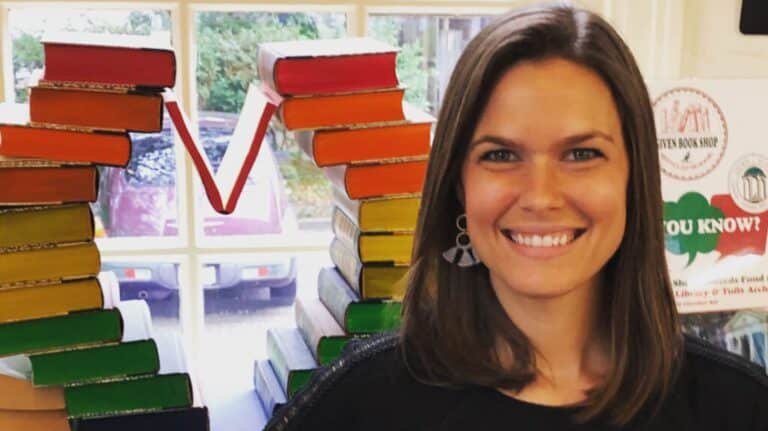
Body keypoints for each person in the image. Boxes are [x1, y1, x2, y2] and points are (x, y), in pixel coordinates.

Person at [265, 4, 768, 430]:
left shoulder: (738, 406)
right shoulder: (362, 405)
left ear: (633, 179)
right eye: (501, 155)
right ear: (459, 185)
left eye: (582, 154)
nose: (540, 196)